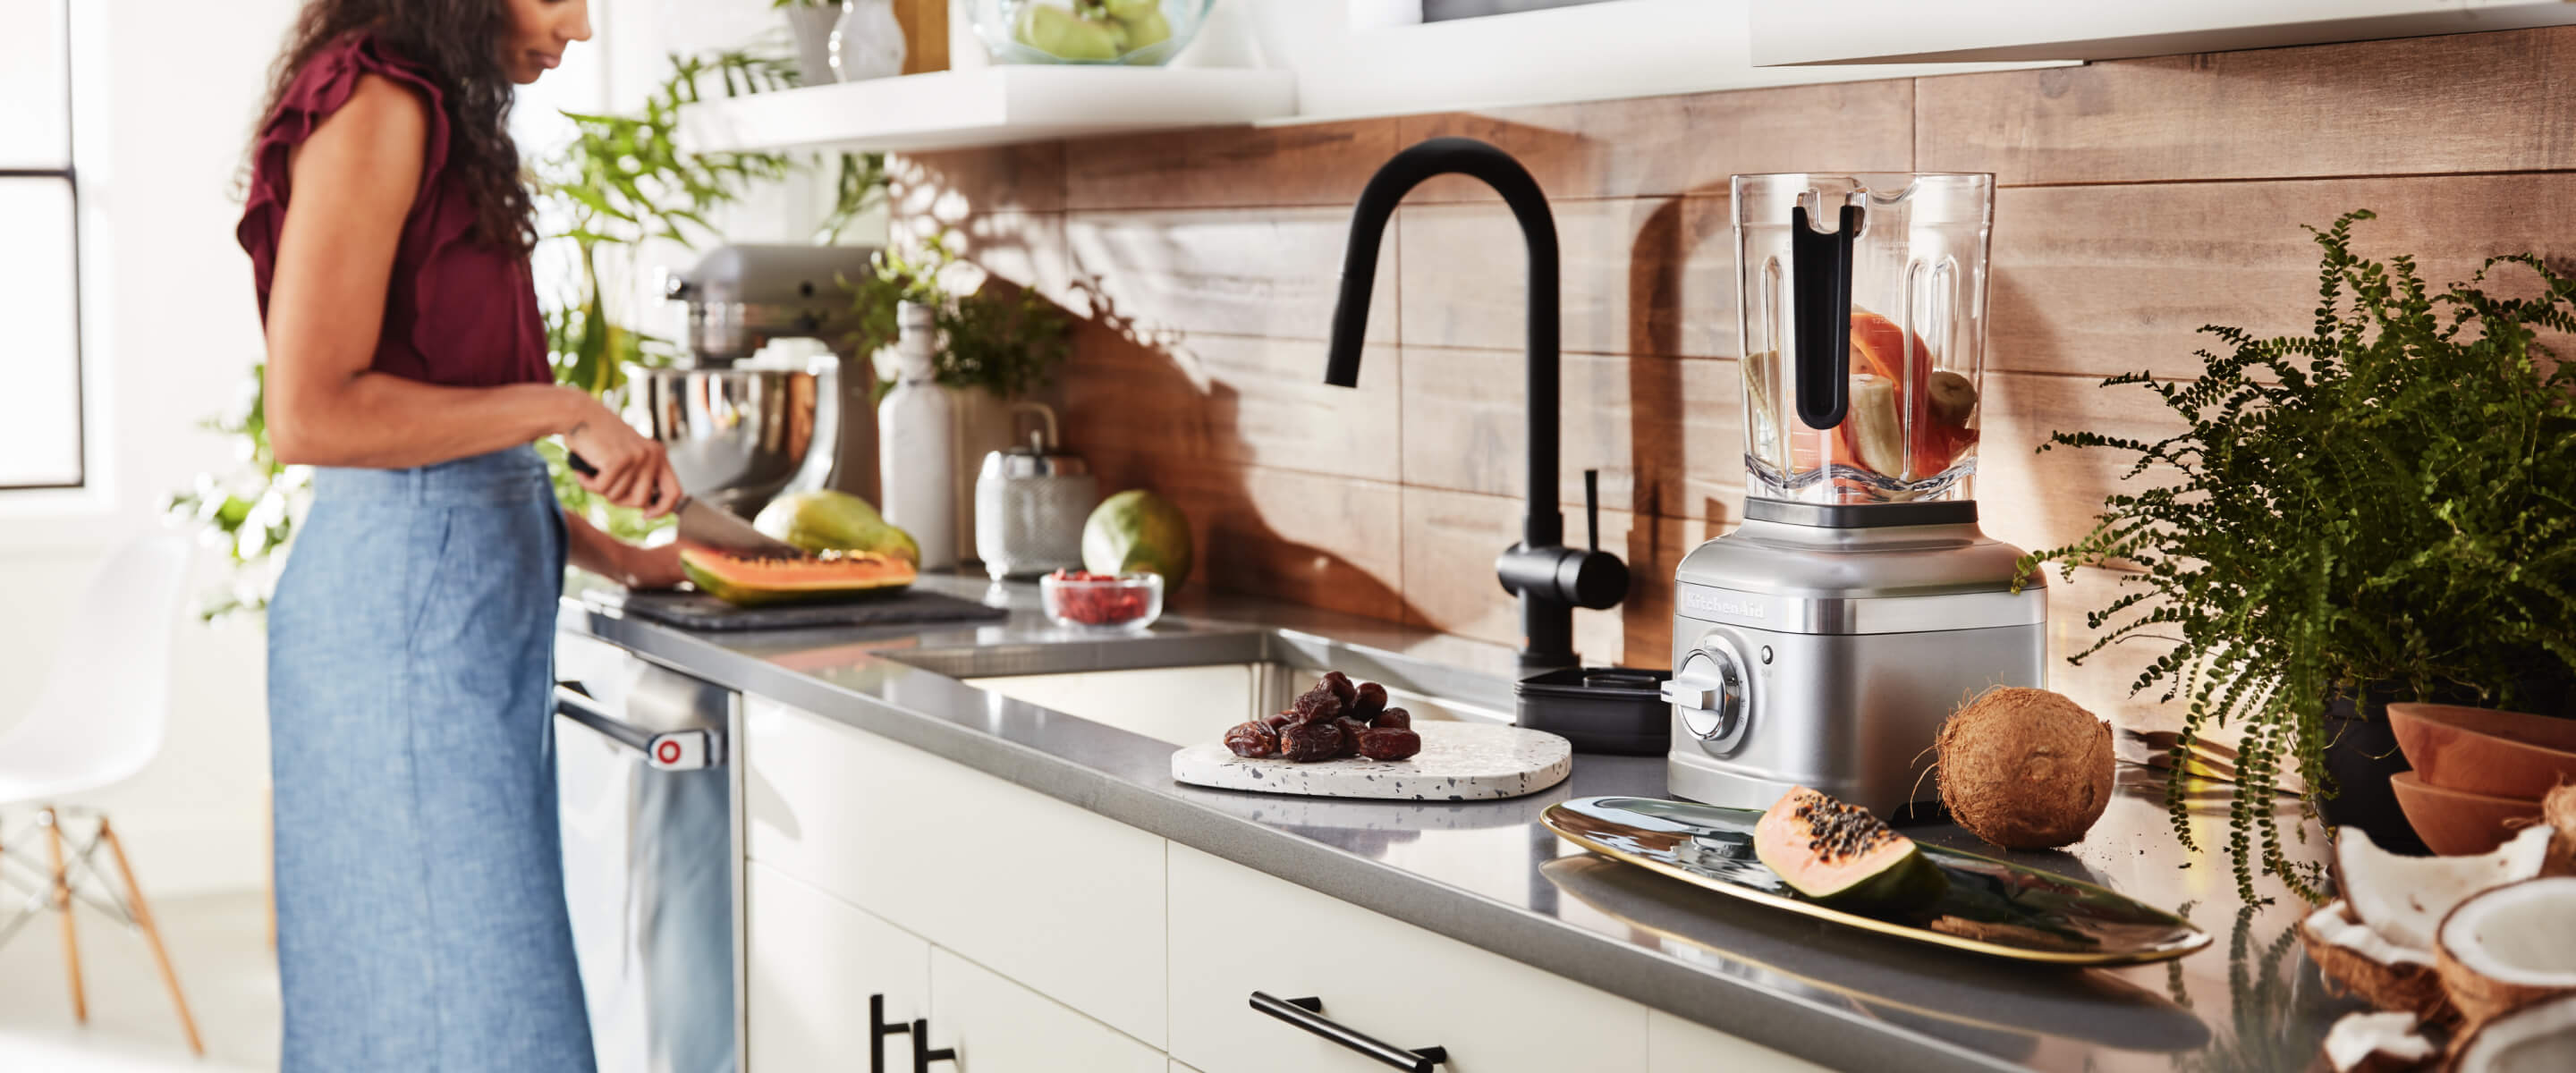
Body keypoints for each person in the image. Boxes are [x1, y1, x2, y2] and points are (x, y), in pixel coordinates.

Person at [239, 1, 673, 1067]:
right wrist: (564, 408)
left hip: (434, 620)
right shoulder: (381, 101)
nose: (579, 22)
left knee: (433, 1005)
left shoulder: (432, 110)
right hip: (403, 633)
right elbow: (314, 415)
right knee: (483, 1015)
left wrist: (612, 552)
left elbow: (447, 453)